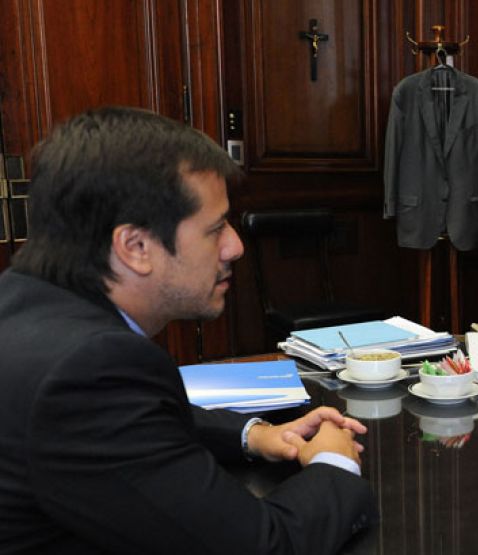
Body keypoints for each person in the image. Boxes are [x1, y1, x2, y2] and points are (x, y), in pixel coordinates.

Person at [0, 106, 376, 553]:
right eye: (215, 229)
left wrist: (254, 435)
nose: (235, 246)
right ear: (137, 247)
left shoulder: (23, 302)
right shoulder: (87, 370)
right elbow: (262, 546)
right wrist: (334, 464)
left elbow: (130, 421)